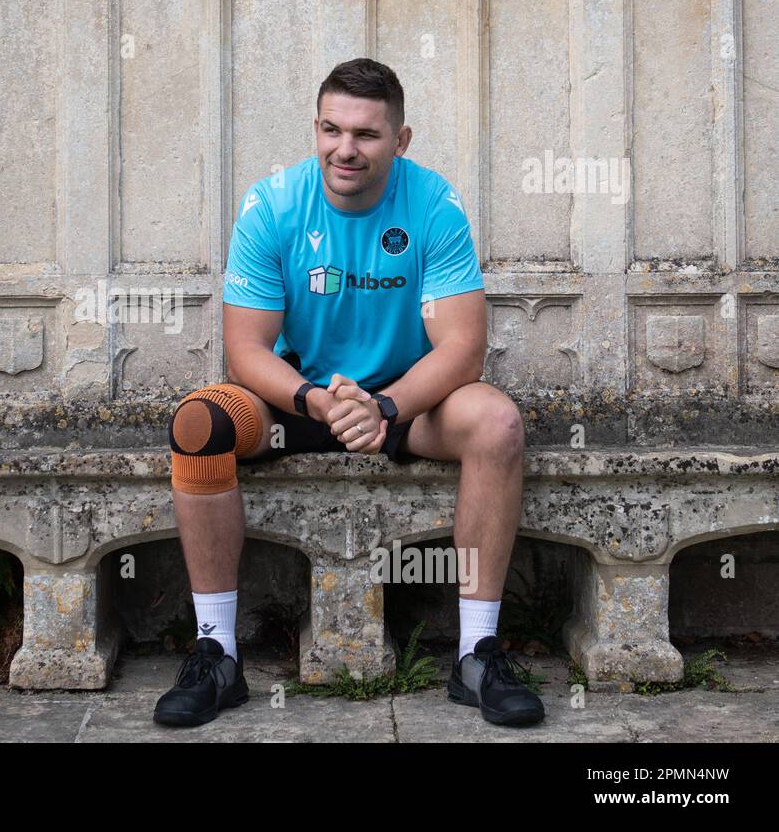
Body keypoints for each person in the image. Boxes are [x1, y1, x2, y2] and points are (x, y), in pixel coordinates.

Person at [154, 57, 544, 728]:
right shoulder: (272, 204)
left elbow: (462, 346)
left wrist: (387, 405)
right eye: (332, 129)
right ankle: (216, 654)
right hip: (294, 401)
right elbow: (245, 349)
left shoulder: (432, 204)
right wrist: (316, 399)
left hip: (402, 405)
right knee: (197, 425)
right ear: (316, 128)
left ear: (401, 139)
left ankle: (477, 653)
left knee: (499, 423)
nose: (346, 148)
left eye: (366, 134)